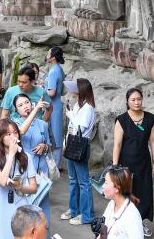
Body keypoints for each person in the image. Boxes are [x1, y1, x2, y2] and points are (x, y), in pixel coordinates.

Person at [111, 88, 154, 234]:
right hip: (126, 164)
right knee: (127, 194)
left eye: (139, 99)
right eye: (133, 100)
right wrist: (114, 166)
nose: (137, 102)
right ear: (127, 101)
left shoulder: (150, 118)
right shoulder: (122, 120)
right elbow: (117, 144)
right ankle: (124, 225)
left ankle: (140, 223)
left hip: (144, 162)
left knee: (144, 193)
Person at [0, 119, 39, 239]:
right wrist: (11, 155)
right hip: (1, 208)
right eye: (8, 134)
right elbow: (2, 181)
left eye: (15, 132)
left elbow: (34, 188)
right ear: (0, 137)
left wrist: (20, 187)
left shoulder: (26, 157)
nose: (13, 137)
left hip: (20, 208)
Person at [60, 78, 96, 227]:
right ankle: (75, 210)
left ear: (81, 91)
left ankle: (87, 215)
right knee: (73, 179)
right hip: (72, 141)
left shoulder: (88, 107)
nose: (72, 91)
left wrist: (71, 116)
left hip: (80, 143)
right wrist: (65, 141)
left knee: (83, 182)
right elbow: (73, 128)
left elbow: (82, 126)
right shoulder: (78, 105)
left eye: (75, 89)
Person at [11, 95, 51, 221]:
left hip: (42, 169)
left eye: (27, 102)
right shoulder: (14, 125)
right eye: (20, 105)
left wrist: (44, 146)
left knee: (43, 205)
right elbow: (21, 132)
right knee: (28, 207)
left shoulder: (42, 124)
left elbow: (50, 145)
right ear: (16, 110)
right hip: (26, 170)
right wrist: (35, 111)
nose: (25, 106)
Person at [99, 166, 145, 239]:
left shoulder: (132, 216)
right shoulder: (112, 204)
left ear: (117, 188)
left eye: (106, 183)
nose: (103, 186)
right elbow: (104, 228)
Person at [43, 47, 65, 167]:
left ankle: (55, 164)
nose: (47, 55)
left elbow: (51, 92)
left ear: (53, 57)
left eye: (48, 53)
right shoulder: (59, 69)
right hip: (57, 104)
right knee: (56, 133)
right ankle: (56, 163)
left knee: (54, 135)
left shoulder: (53, 71)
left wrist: (42, 89)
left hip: (52, 105)